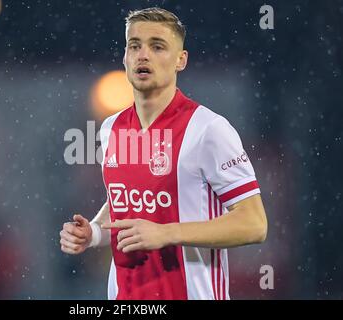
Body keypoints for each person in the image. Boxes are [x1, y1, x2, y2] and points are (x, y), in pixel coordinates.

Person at [60, 7, 267, 300]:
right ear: (125, 57)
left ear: (181, 60)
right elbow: (126, 203)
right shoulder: (110, 129)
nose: (143, 55)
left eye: (157, 46)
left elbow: (254, 224)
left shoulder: (208, 129)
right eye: (135, 46)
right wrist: (93, 233)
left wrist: (167, 233)